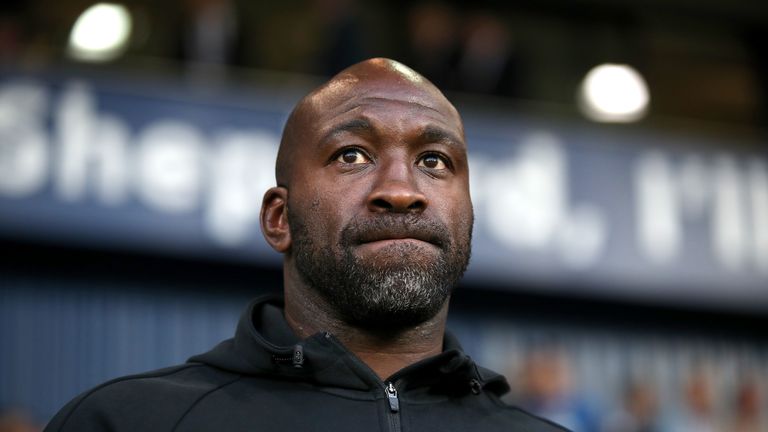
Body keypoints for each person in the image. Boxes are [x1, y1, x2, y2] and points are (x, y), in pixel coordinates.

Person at [44, 58, 568, 432]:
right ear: (279, 218)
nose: (401, 191)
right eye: (352, 156)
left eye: (434, 160)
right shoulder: (126, 421)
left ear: (469, 212)